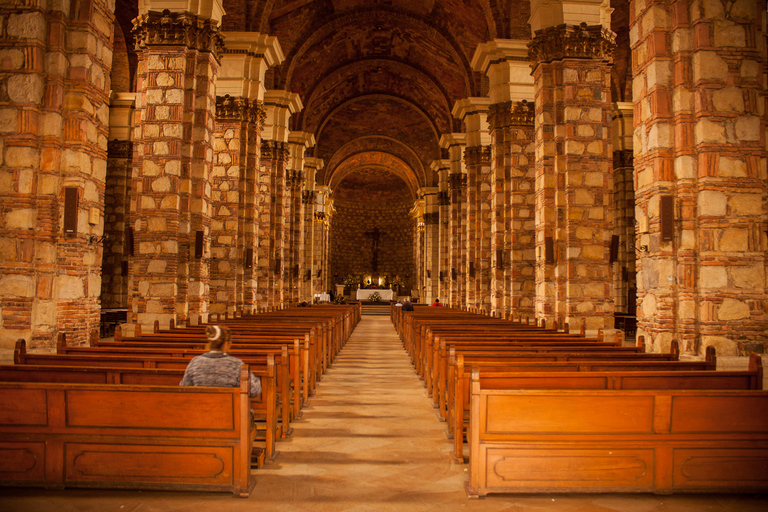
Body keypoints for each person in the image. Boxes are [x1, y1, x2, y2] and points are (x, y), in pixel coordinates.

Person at [180, 325, 262, 397]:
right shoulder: (236, 364)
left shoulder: (195, 362)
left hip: (200, 412)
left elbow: (184, 388)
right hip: (231, 413)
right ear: (226, 343)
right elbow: (254, 390)